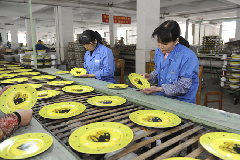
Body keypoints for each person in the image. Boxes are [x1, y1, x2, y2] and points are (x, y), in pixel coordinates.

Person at [141, 20, 199, 104]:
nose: (161, 46)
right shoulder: (159, 52)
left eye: (165, 43)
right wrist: (150, 77)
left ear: (176, 41)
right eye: (158, 42)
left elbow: (183, 86)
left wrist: (158, 89)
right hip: (163, 99)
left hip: (182, 103)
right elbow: (159, 71)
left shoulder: (188, 56)